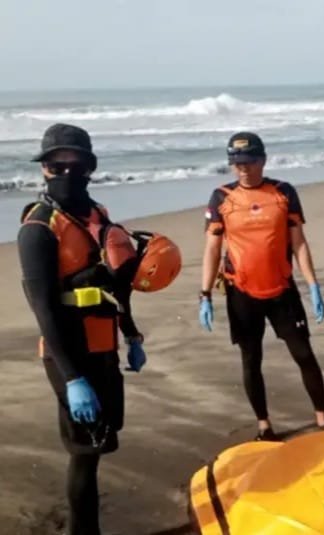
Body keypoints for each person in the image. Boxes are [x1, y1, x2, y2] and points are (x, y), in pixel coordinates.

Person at [18, 123, 181, 535]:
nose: (68, 173)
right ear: (45, 170)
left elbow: (114, 286)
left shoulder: (99, 217)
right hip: (67, 353)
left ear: (90, 167)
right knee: (84, 451)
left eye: (78, 165)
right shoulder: (38, 227)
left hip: (103, 346)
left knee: (103, 439)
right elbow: (43, 308)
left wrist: (131, 335)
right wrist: (73, 378)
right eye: (58, 165)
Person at [199, 131, 324, 441]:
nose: (243, 168)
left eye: (249, 161)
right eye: (236, 163)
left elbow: (298, 243)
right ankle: (264, 425)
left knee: (303, 354)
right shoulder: (221, 197)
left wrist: (313, 285)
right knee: (251, 359)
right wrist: (204, 294)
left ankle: (323, 420)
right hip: (241, 292)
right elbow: (212, 249)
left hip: (282, 290)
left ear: (262, 160)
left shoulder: (283, 192)